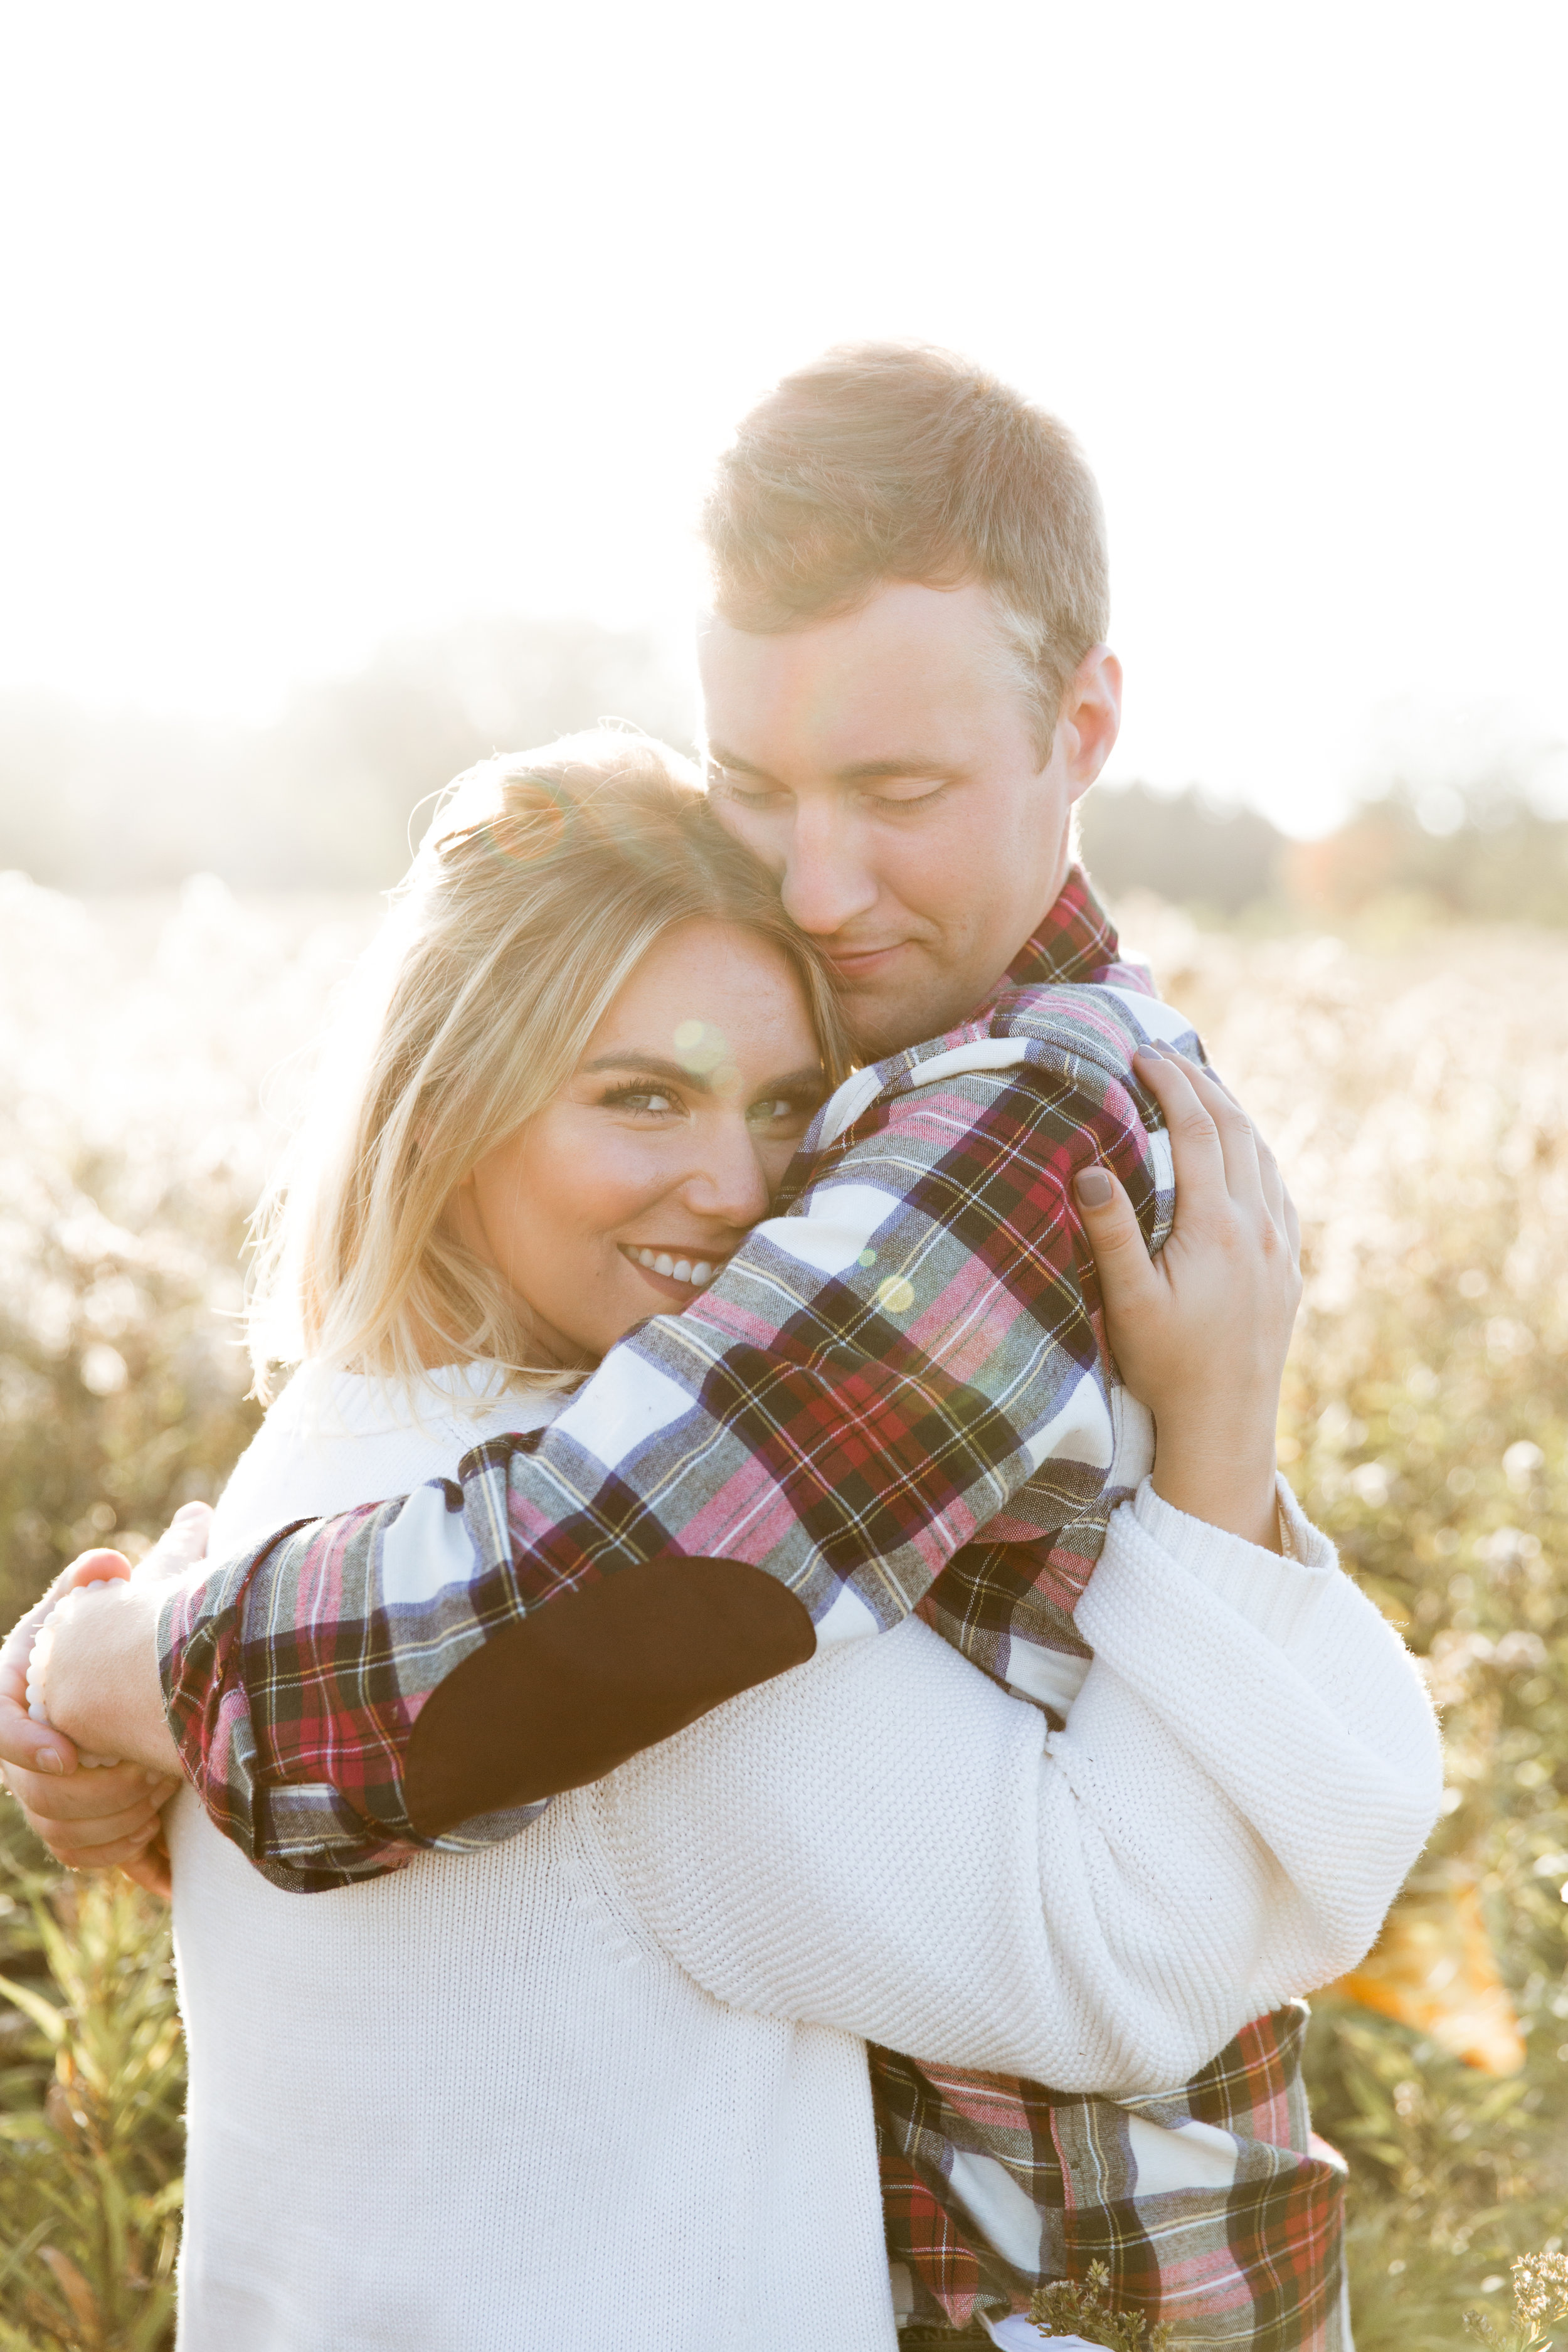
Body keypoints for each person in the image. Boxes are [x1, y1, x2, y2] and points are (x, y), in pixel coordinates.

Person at [3, 351, 1443, 2347]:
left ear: (1083, 720)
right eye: (753, 787)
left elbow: (580, 1604)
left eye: (899, 793)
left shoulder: (1008, 1131)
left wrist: (133, 1665)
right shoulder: (872, 1060)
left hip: (1079, 2281)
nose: (817, 883)